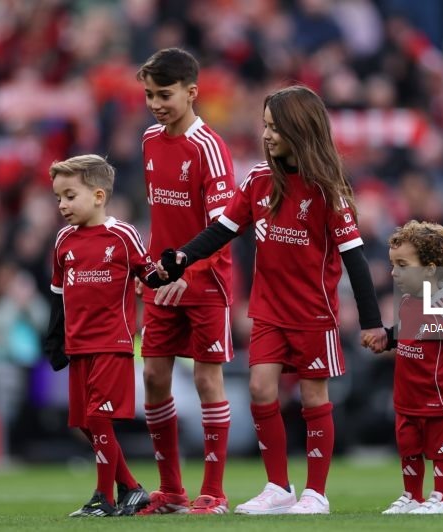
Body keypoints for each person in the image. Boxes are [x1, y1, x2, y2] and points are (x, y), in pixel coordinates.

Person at [159, 85, 388, 515]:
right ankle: (278, 487)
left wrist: (372, 321)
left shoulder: (328, 191)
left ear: (299, 130)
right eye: (264, 125)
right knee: (261, 389)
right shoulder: (259, 181)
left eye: (274, 127)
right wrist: (182, 257)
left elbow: (355, 259)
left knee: (313, 397)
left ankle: (315, 493)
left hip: (313, 313)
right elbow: (222, 230)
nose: (266, 135)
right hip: (267, 310)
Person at [135, 48, 236, 515]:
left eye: (166, 94)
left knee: (205, 379)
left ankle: (213, 492)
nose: (156, 103)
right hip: (163, 281)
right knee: (153, 376)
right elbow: (161, 218)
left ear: (192, 92)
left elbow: (222, 228)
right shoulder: (150, 140)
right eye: (151, 94)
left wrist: (187, 271)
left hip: (206, 280)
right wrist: (151, 273)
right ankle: (172, 490)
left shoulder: (210, 149)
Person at [43, 154, 170, 517]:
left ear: (98, 196)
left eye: (70, 195)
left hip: (112, 343)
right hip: (78, 344)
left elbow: (149, 276)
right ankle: (130, 487)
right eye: (58, 198)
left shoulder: (123, 235)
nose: (62, 205)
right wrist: (55, 338)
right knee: (84, 421)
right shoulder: (63, 241)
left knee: (100, 417)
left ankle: (104, 497)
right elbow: (58, 294)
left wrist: (173, 271)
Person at [380, 220, 443, 515]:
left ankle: (442, 499)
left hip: (437, 397)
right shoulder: (407, 301)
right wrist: (386, 338)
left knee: (442, 451)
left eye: (402, 264)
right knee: (409, 449)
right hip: (408, 395)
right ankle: (412, 496)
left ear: (429, 268)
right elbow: (408, 332)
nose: (394, 272)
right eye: (393, 264)